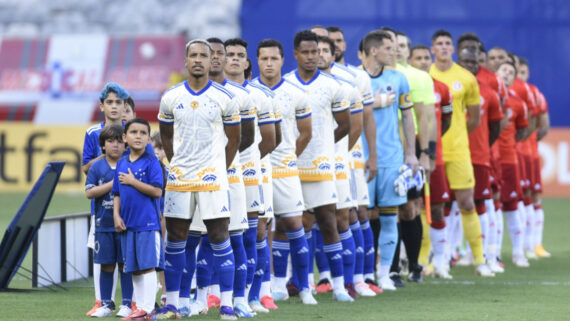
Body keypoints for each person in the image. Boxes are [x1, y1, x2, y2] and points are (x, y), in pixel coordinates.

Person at [157, 39, 241, 320]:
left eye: (203, 55)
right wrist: (178, 164)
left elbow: (235, 139)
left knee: (219, 237)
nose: (198, 60)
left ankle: (227, 304)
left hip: (212, 181)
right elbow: (166, 136)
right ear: (185, 60)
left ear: (211, 61)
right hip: (180, 180)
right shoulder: (170, 97)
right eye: (192, 55)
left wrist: (218, 167)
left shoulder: (224, 98)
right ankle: (173, 303)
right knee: (176, 239)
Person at [184, 37, 256, 318]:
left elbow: (246, 138)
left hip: (230, 178)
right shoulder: (184, 95)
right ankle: (199, 298)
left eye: (218, 54)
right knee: (194, 240)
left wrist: (222, 164)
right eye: (208, 53)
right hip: (195, 179)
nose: (213, 58)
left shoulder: (239, 97)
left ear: (226, 59)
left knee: (235, 238)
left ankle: (238, 300)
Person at [284, 30, 353, 302]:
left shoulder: (332, 85)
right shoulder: (286, 84)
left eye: (316, 52)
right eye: (307, 52)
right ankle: (297, 285)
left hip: (322, 166)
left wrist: (324, 145)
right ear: (296, 54)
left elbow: (345, 123)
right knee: (291, 224)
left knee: (328, 222)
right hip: (290, 166)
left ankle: (339, 287)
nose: (312, 57)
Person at [254, 38, 317, 305]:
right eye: (264, 59)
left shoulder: (296, 93)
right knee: (261, 229)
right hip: (257, 172)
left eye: (274, 59)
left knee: (294, 224)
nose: (269, 63)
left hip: (285, 170)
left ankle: (304, 286)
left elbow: (306, 132)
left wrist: (291, 157)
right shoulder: (249, 92)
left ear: (282, 60)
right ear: (257, 61)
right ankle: (271, 287)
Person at [429, 30, 494, 277]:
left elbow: (475, 118)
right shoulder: (427, 76)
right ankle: (437, 261)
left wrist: (454, 133)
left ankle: (480, 260)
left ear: (452, 49)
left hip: (458, 151)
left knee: (467, 203)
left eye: (447, 43)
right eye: (439, 44)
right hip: (433, 152)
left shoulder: (466, 78)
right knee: (434, 206)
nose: (444, 47)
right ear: (432, 49)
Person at [223, 37, 278, 314]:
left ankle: (253, 296)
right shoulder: (215, 92)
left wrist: (249, 160)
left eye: (239, 55)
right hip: (221, 172)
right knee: (220, 234)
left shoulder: (259, 96)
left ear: (247, 62)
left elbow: (270, 139)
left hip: (252, 173)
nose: (234, 58)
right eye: (229, 54)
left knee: (256, 233)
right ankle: (216, 295)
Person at [360, 30, 418, 290]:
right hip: (359, 158)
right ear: (373, 51)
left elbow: (407, 117)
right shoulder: (355, 78)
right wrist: (376, 101)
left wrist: (411, 153)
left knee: (388, 216)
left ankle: (385, 274)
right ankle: (364, 274)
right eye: (388, 48)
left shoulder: (399, 79)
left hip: (392, 158)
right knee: (360, 217)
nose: (393, 52)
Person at [328, 26, 381, 294]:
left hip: (351, 155)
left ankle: (361, 277)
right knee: (317, 218)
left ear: (345, 45)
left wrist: (372, 155)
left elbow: (367, 119)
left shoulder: (357, 77)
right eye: (328, 41)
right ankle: (325, 278)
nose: (333, 45)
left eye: (337, 41)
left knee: (357, 213)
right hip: (318, 158)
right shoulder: (305, 78)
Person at [316, 35, 363, 298]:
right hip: (307, 164)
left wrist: (334, 151)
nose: (321, 55)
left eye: (326, 50)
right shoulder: (293, 84)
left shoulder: (346, 86)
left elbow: (353, 128)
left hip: (338, 162)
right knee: (307, 220)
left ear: (334, 55)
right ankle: (304, 281)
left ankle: (348, 281)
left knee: (343, 219)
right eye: (317, 50)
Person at [393, 30, 437, 285]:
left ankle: (415, 264)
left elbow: (426, 117)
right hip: (385, 147)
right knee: (386, 210)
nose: (397, 49)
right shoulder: (373, 76)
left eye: (402, 45)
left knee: (410, 208)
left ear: (408, 50)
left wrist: (425, 153)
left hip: (410, 147)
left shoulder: (418, 77)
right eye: (393, 45)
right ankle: (391, 266)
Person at [112, 118, 165, 321]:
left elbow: (157, 192)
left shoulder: (152, 163)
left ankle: (147, 309)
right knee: (132, 267)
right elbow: (116, 193)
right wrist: (116, 215)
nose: (138, 136)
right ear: (125, 137)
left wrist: (133, 182)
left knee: (148, 265)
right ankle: (139, 308)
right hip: (128, 225)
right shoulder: (122, 163)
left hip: (147, 224)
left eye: (143, 133)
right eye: (133, 132)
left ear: (149, 138)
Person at [83, 82, 129, 316]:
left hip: (130, 209)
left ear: (125, 106)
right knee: (102, 255)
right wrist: (106, 153)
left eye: (118, 102)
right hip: (101, 207)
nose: (113, 106)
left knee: (128, 258)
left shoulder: (132, 131)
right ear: (102, 106)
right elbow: (85, 167)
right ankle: (102, 301)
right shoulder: (92, 133)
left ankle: (131, 302)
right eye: (109, 102)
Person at [457, 47, 504, 273]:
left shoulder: (488, 92)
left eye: (472, 62)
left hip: (477, 156)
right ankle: (446, 256)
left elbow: (496, 125)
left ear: (479, 65)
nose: (468, 65)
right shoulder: (448, 86)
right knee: (445, 206)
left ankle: (484, 254)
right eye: (464, 61)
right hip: (451, 153)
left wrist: (484, 144)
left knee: (478, 204)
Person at [409, 44, 453, 279]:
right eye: (419, 58)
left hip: (434, 156)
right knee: (410, 209)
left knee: (436, 208)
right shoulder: (406, 84)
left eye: (427, 57)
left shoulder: (443, 89)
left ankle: (441, 260)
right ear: (410, 61)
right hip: (408, 153)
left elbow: (445, 120)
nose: (424, 61)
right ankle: (417, 260)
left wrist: (432, 150)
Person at [495, 61, 530, 268]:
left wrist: (510, 145)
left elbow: (524, 130)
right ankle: (492, 254)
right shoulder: (487, 96)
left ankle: (518, 252)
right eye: (503, 71)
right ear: (496, 73)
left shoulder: (518, 103)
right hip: (488, 158)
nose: (506, 74)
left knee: (511, 206)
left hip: (508, 159)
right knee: (487, 206)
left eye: (511, 72)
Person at [517, 59, 551, 258]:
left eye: (523, 71)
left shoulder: (534, 93)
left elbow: (543, 125)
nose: (520, 76)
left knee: (533, 197)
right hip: (505, 154)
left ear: (527, 73)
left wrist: (527, 140)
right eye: (517, 72)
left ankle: (534, 244)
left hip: (528, 154)